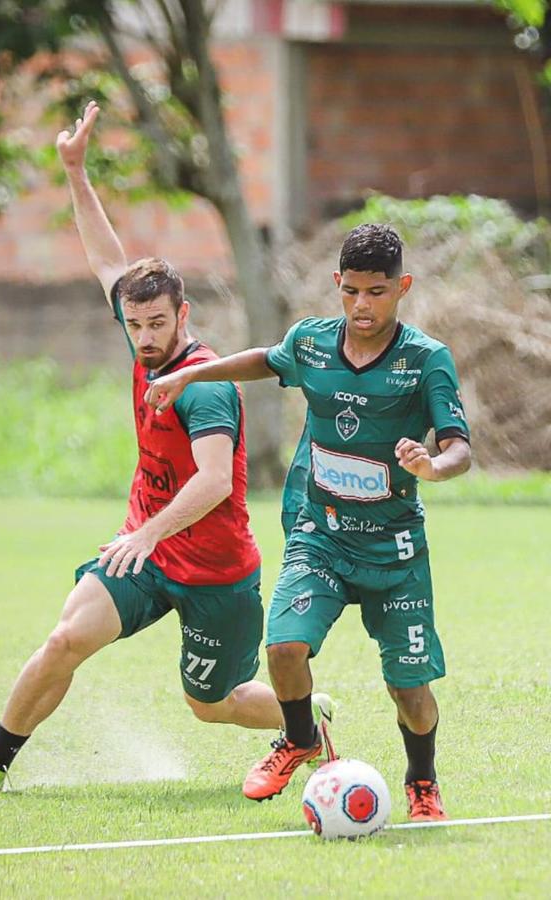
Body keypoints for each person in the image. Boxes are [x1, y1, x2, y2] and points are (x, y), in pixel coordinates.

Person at [0, 101, 333, 794]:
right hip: (145, 553)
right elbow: (105, 257)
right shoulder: (135, 329)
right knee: (65, 639)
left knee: (209, 704)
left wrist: (151, 531)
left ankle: (304, 717)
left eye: (158, 323)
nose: (146, 336)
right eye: (135, 323)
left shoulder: (205, 385)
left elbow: (215, 480)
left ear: (183, 315)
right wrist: (73, 170)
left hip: (215, 569)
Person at [147, 223, 471, 821]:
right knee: (286, 647)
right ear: (336, 285)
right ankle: (298, 738)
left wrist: (432, 466)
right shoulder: (313, 342)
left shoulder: (427, 361)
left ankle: (422, 782)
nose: (361, 305)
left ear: (402, 287)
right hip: (320, 536)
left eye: (376, 292)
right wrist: (190, 373)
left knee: (410, 690)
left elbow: (459, 448)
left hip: (394, 553)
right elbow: (267, 360)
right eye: (350, 291)